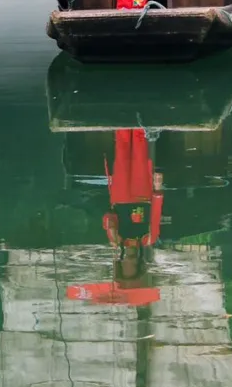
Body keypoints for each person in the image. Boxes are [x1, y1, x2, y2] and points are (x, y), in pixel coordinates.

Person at [65, 126, 163, 307]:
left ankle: (123, 125)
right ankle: (139, 124)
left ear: (120, 262)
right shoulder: (148, 239)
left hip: (121, 196)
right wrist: (157, 189)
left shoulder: (116, 240)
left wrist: (111, 230)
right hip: (142, 194)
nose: (128, 260)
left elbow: (108, 216)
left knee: (122, 152)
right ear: (139, 262)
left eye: (125, 263)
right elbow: (156, 215)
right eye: (132, 263)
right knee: (140, 153)